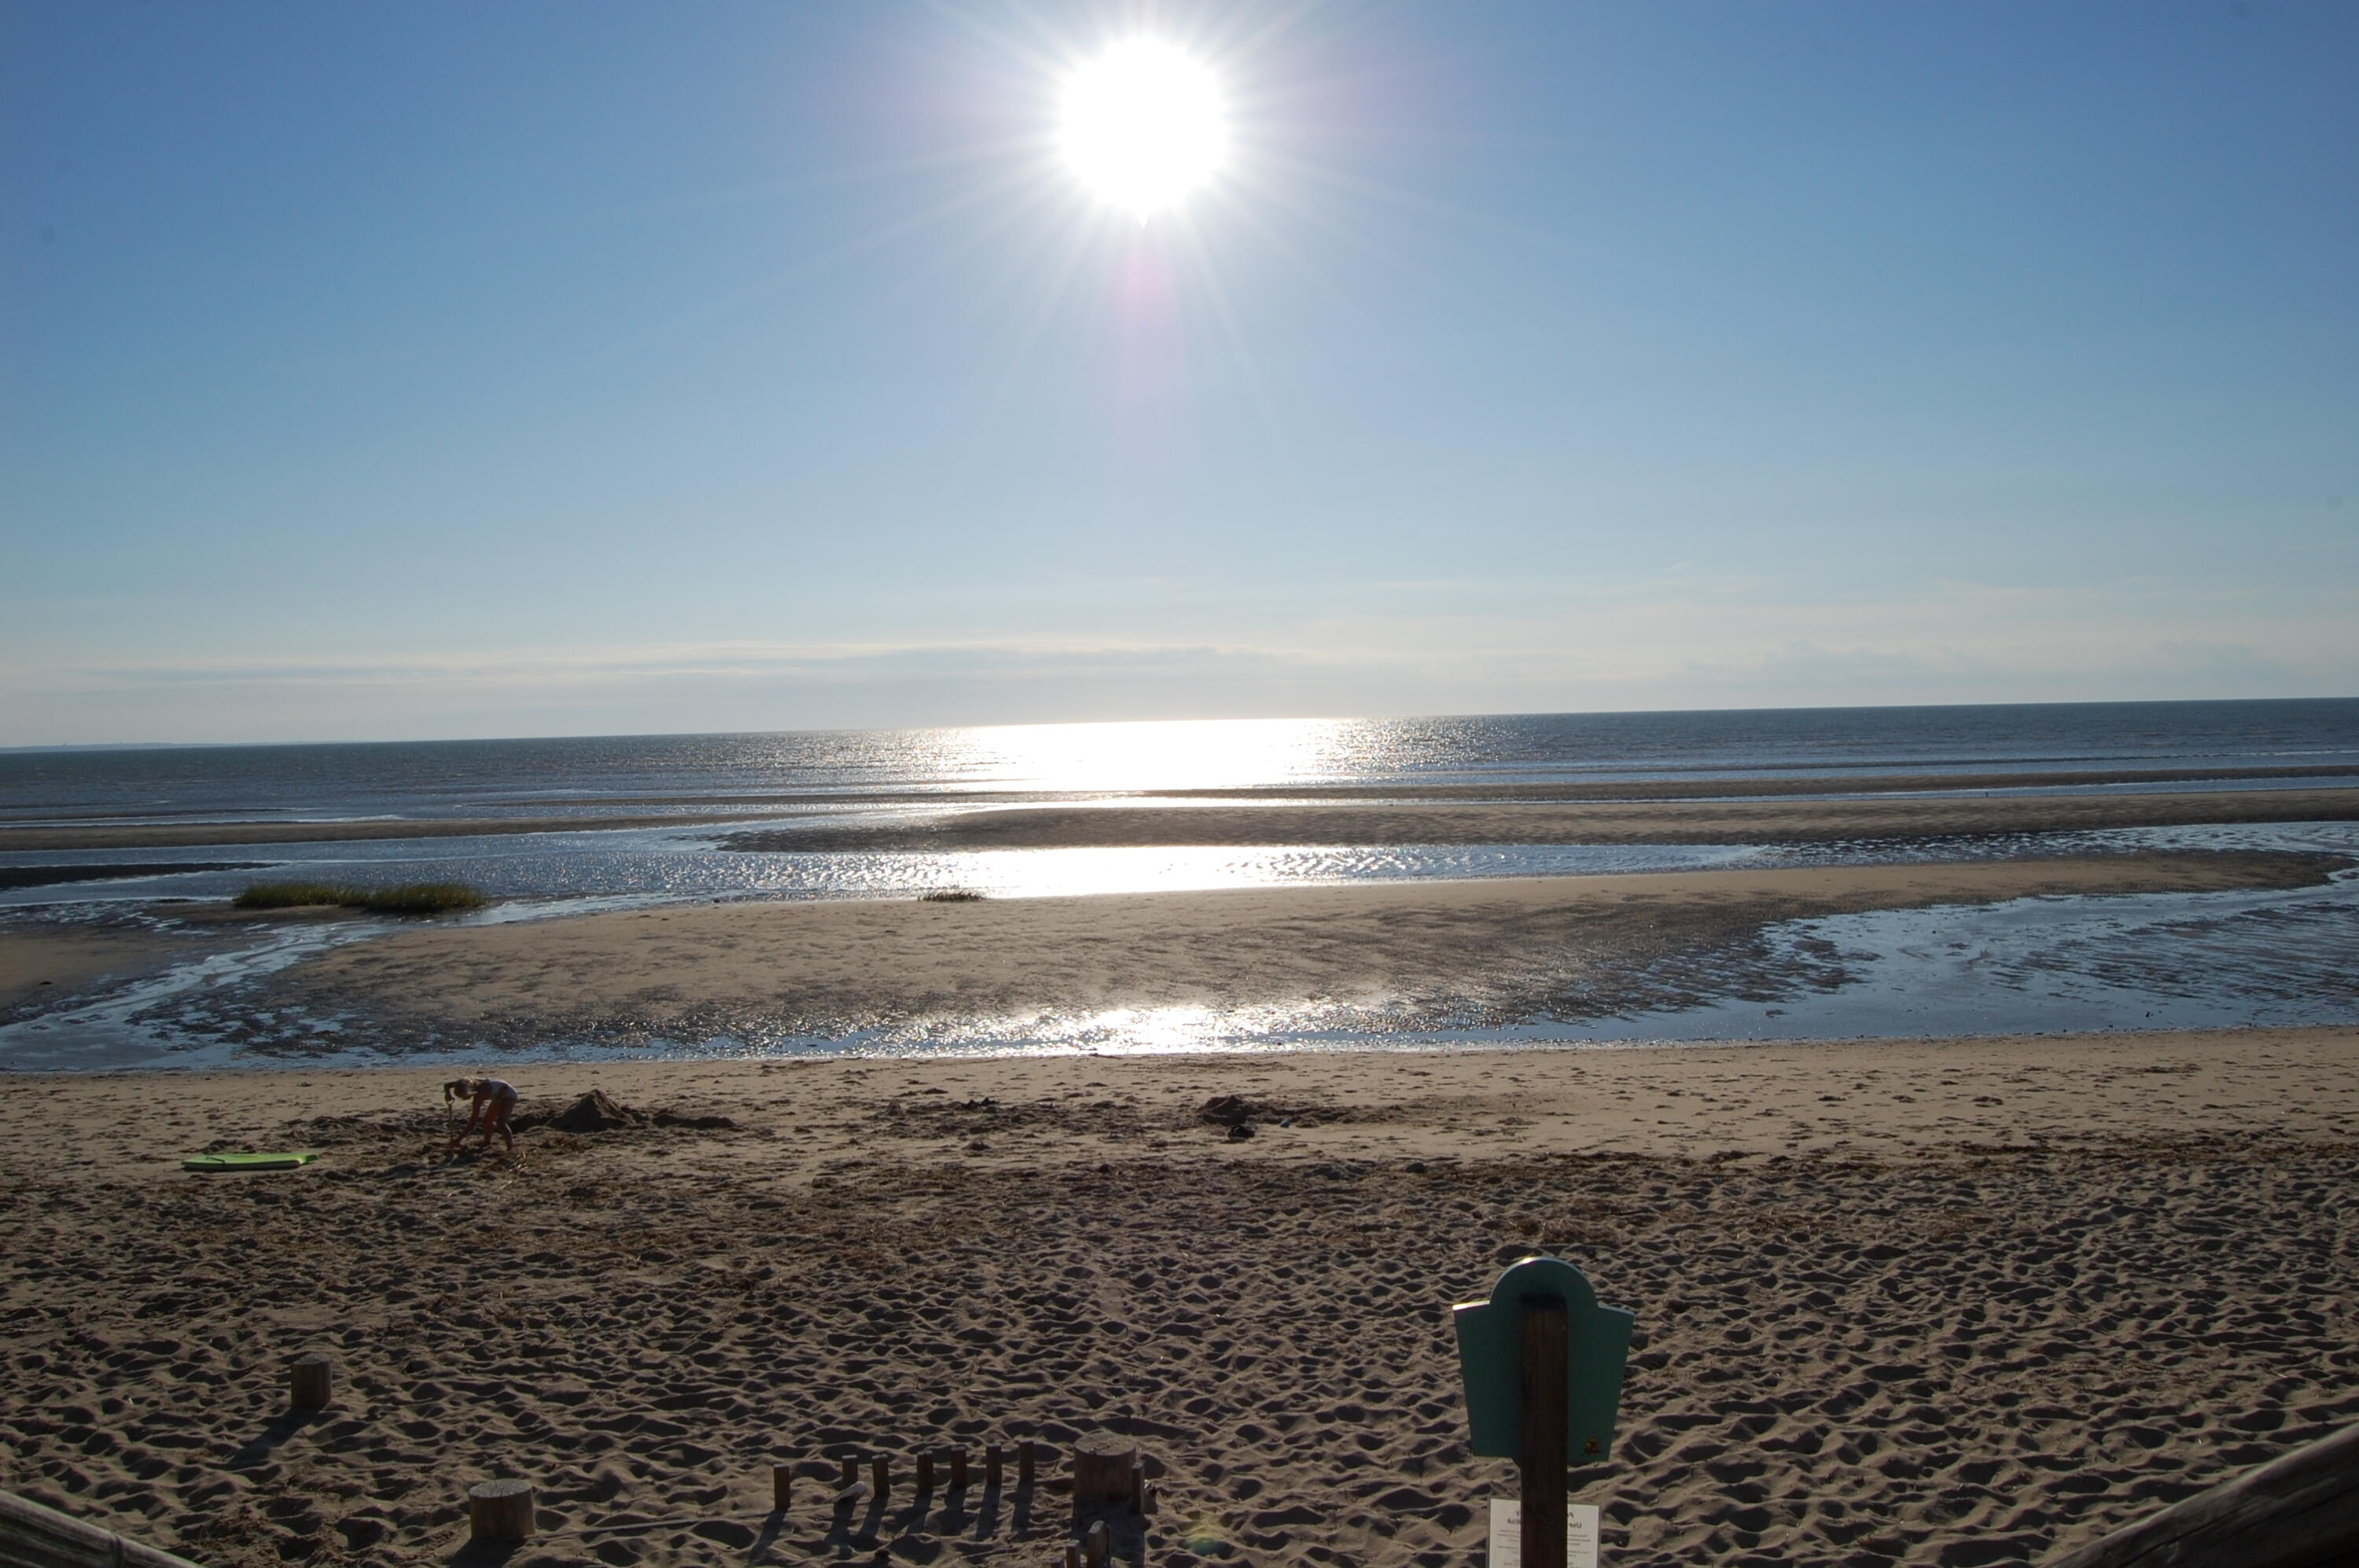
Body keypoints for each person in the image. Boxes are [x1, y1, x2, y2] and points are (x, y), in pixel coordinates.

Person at [446, 1077, 519, 1154]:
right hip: (498, 1094)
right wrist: (448, 1095)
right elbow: (447, 1085)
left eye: (465, 1097)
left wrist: (458, 1139)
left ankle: (510, 1148)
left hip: (508, 1094)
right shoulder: (462, 1083)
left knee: (501, 1123)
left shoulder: (479, 1094)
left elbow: (473, 1122)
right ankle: (487, 1142)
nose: (465, 1099)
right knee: (487, 1121)